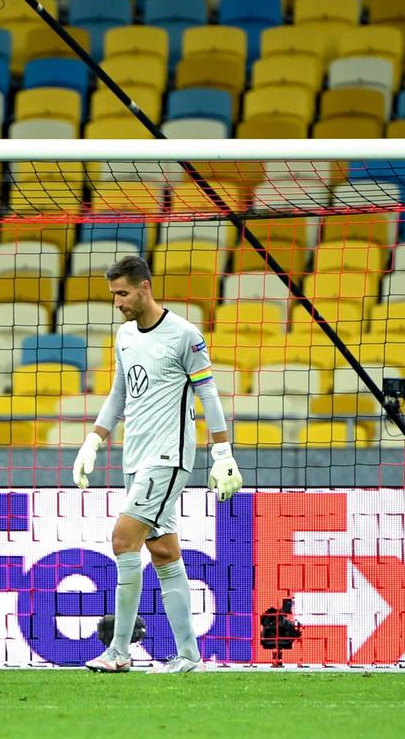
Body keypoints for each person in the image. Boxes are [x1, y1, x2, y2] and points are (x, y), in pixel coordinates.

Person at [73, 255, 242, 674]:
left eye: (123, 293)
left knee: (123, 539)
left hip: (169, 457)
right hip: (136, 457)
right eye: (113, 294)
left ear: (145, 287)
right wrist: (93, 441)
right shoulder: (125, 335)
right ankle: (189, 656)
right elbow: (119, 395)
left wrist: (222, 453)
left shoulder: (184, 335)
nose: (118, 302)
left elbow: (210, 395)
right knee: (164, 552)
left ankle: (118, 652)